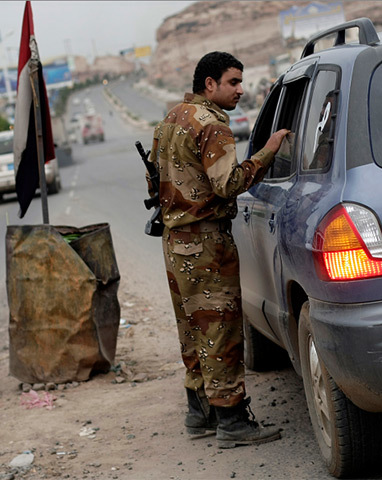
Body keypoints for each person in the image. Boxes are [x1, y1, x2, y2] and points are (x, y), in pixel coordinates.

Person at [147, 51, 290, 448]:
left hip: (176, 241)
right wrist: (269, 150)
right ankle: (231, 420)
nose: (240, 90)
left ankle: (201, 413)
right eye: (233, 82)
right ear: (210, 84)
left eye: (241, 82)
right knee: (221, 328)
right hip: (207, 241)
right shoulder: (212, 125)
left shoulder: (170, 120)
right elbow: (228, 184)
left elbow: (154, 184)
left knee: (193, 329)